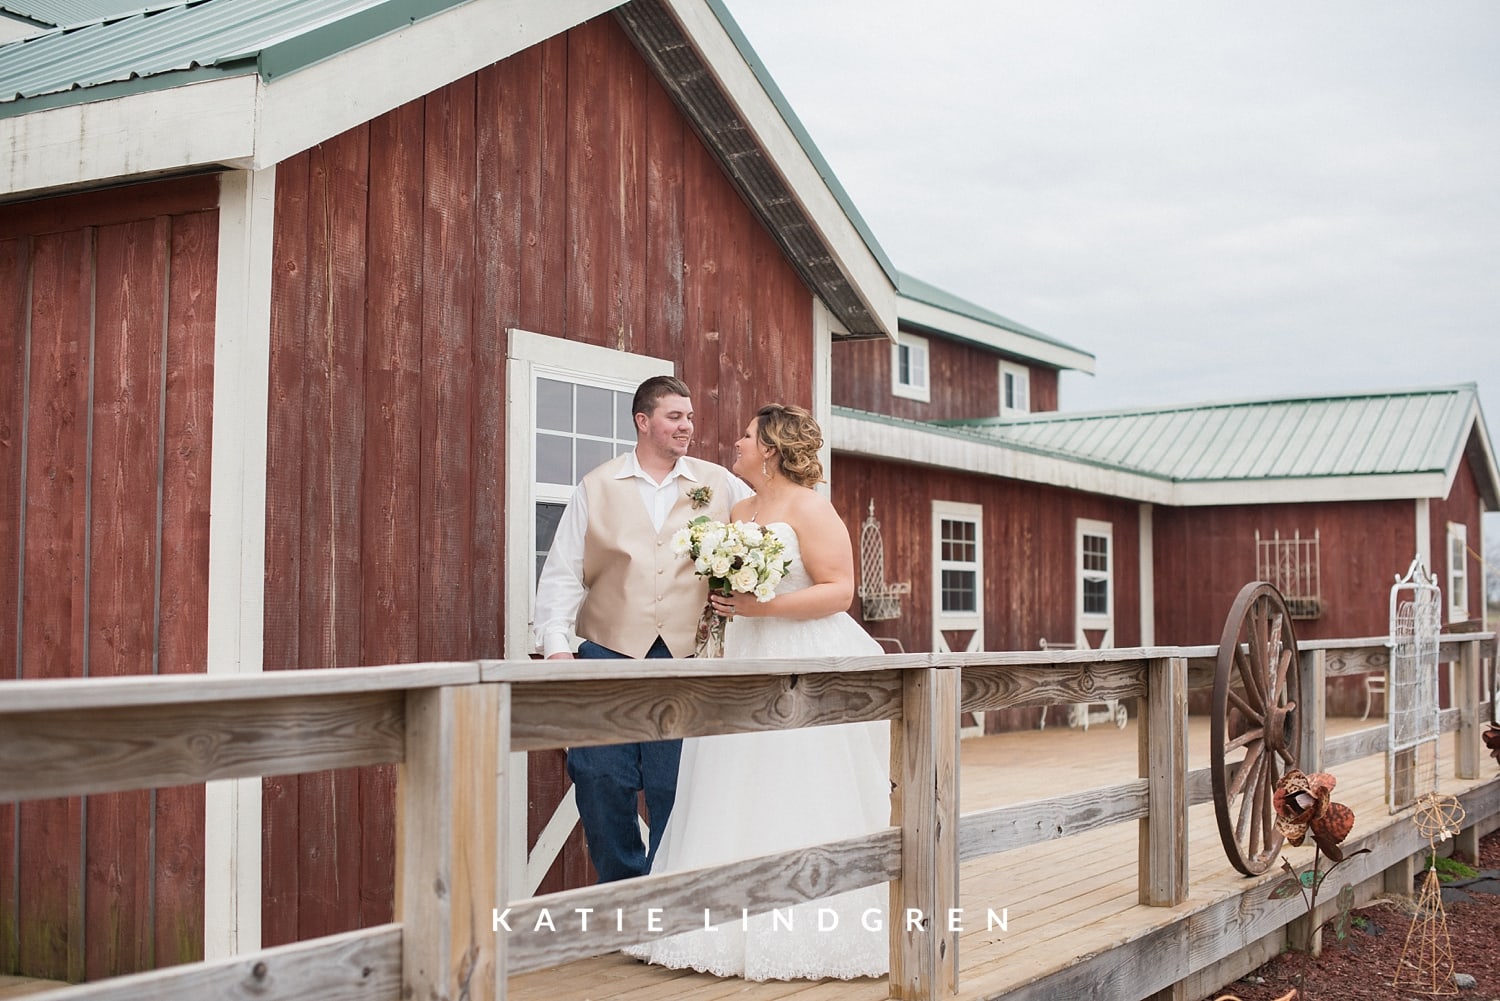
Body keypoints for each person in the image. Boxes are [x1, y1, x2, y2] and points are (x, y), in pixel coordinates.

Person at [626, 403, 890, 980]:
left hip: (799, 656)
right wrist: (726, 597)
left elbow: (840, 590)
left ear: (769, 449)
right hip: (741, 653)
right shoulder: (740, 508)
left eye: (746, 436)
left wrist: (760, 605)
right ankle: (717, 921)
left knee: (796, 776)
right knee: (728, 777)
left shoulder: (810, 508)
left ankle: (808, 920)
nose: (736, 442)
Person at [534, 375, 751, 882]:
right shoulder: (597, 486)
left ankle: (667, 898)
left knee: (676, 783)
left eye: (691, 417)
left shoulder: (719, 482)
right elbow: (564, 572)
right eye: (675, 417)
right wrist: (556, 647)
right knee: (597, 776)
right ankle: (624, 892)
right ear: (643, 421)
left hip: (689, 656)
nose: (687, 427)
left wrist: (752, 596)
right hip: (608, 652)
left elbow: (771, 528)